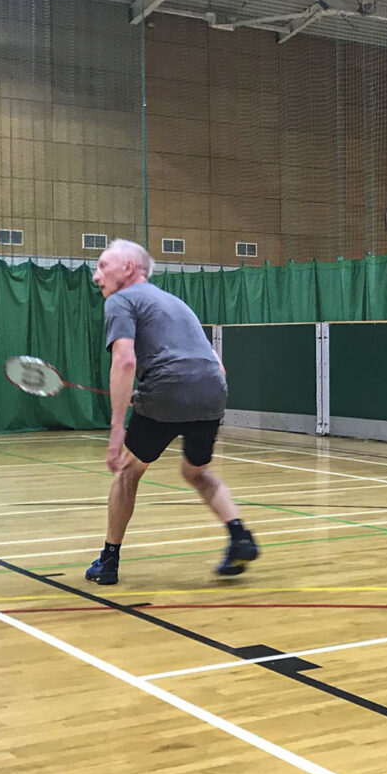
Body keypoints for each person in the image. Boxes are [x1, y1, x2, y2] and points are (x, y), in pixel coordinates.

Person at [85, 239, 258, 585]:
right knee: (196, 472)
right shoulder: (176, 303)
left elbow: (125, 360)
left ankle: (108, 561)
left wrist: (117, 428)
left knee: (128, 472)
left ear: (129, 269)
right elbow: (217, 367)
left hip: (168, 390)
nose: (96, 276)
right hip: (212, 393)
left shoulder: (121, 300)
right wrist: (158, 394)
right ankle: (240, 536)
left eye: (104, 266)